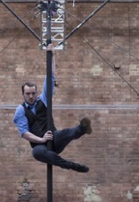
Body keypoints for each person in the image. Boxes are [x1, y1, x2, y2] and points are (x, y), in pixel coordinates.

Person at [13, 43, 92, 172]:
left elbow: (50, 76)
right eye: (28, 94)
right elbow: (24, 133)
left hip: (54, 139)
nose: (31, 96)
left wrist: (52, 55)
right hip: (39, 145)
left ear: (36, 92)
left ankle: (83, 128)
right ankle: (73, 166)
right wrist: (42, 139)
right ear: (23, 94)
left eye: (33, 93)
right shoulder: (20, 110)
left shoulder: (43, 100)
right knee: (38, 153)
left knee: (67, 133)